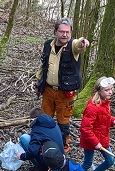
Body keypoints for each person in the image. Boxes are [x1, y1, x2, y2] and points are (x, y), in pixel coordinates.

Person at [35, 18, 91, 152]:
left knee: (63, 122)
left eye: (67, 32)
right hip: (48, 90)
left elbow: (79, 44)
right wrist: (38, 82)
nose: (65, 35)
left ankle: (63, 149)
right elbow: (43, 65)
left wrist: (83, 42)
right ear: (55, 32)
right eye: (61, 32)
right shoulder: (48, 44)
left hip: (65, 93)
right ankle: (45, 145)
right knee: (45, 119)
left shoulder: (73, 46)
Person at [79, 76, 115, 171]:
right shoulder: (92, 107)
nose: (110, 92)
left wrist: (113, 120)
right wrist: (95, 142)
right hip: (91, 140)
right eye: (107, 90)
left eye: (111, 89)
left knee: (110, 160)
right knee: (87, 163)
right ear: (99, 91)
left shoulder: (105, 103)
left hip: (103, 138)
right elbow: (85, 128)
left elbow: (104, 119)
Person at [18, 107, 63, 171]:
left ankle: (41, 167)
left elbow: (33, 151)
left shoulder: (37, 129)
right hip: (60, 157)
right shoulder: (54, 124)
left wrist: (22, 156)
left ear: (33, 119)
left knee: (24, 138)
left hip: (49, 162)